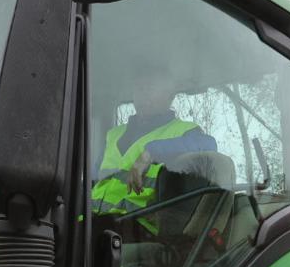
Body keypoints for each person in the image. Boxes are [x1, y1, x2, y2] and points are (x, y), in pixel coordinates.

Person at [90, 81, 220, 233]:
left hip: (136, 229)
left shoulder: (183, 131)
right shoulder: (113, 135)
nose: (144, 94)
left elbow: (208, 145)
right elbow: (90, 183)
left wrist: (151, 152)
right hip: (91, 224)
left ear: (170, 96)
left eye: (152, 87)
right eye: (139, 87)